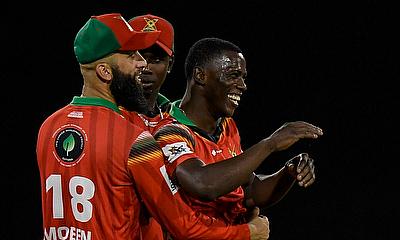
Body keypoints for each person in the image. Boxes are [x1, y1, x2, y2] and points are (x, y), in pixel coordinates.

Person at [36, 14, 270, 240]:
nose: (142, 64)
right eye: (132, 56)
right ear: (105, 71)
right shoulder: (134, 138)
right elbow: (185, 227)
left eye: (151, 57)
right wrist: (249, 233)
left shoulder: (49, 127)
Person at [152, 37, 324, 227]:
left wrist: (287, 173)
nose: (243, 85)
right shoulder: (169, 129)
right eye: (233, 75)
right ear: (201, 75)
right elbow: (202, 184)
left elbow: (249, 191)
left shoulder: (227, 126)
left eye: (243, 77)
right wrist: (270, 144)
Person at [122, 13, 175, 239]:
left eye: (156, 59)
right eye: (138, 55)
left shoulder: (178, 120)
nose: (145, 66)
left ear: (170, 65)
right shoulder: (109, 118)